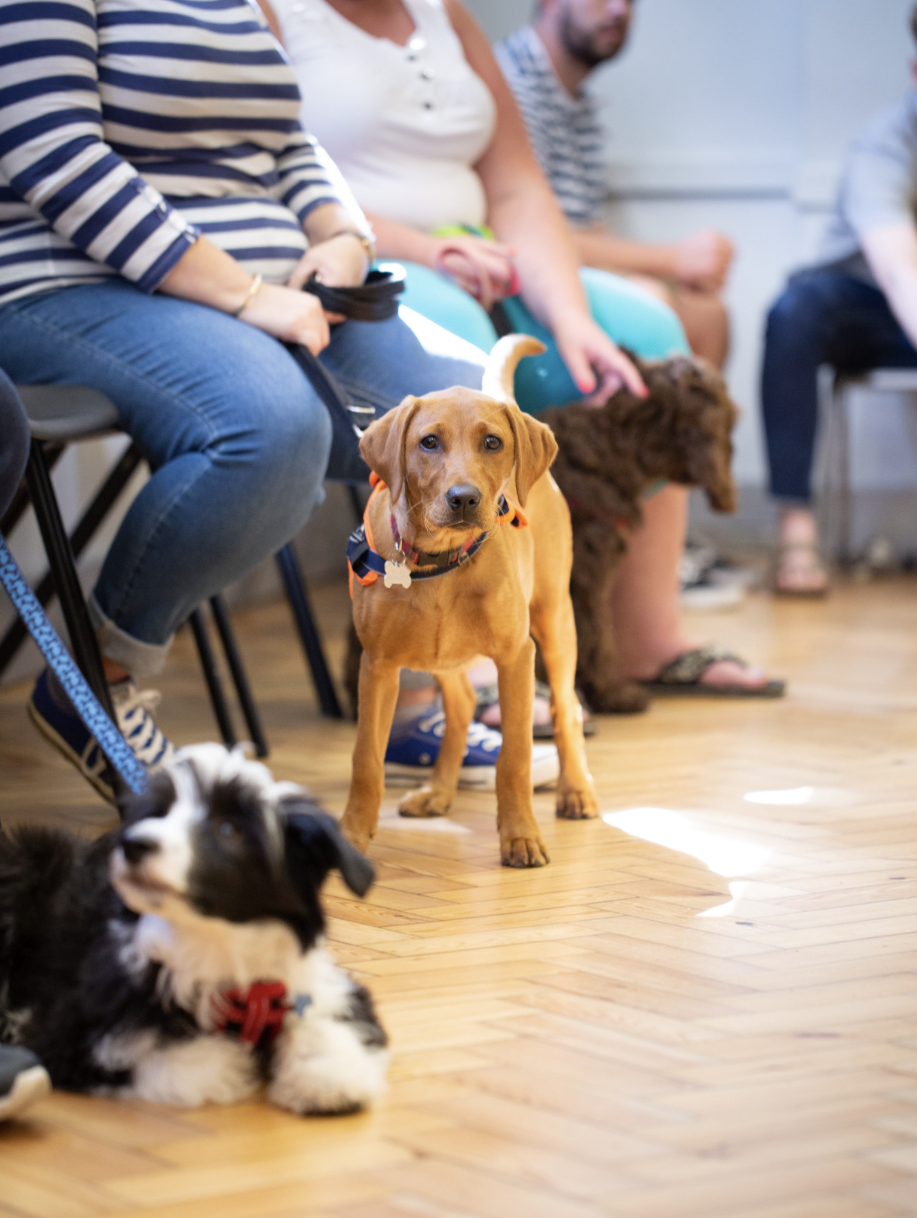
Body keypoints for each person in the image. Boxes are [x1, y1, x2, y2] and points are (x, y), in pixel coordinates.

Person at [0, 0, 547, 799]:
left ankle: (442, 663)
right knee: (271, 431)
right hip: (74, 285)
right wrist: (243, 292)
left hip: (280, 283)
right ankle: (96, 679)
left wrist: (341, 238)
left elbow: (289, 139)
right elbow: (52, 153)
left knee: (472, 406)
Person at [270, 0, 777, 716]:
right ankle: (464, 663)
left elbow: (516, 185)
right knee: (463, 374)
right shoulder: (273, 14)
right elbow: (274, 178)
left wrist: (572, 320)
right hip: (363, 264)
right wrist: (426, 248)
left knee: (653, 338)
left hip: (487, 249)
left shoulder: (445, 14)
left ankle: (643, 636)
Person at [762, 6, 917, 595]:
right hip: (871, 305)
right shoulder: (886, 145)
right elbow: (902, 275)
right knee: (794, 313)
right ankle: (795, 528)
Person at [496, 0, 734, 369]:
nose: (618, 10)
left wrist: (676, 269)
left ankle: (692, 428)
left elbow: (589, 234)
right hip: (517, 279)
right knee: (652, 304)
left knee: (708, 316)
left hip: (563, 267)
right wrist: (674, 261)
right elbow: (523, 232)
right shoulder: (511, 85)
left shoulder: (579, 103)